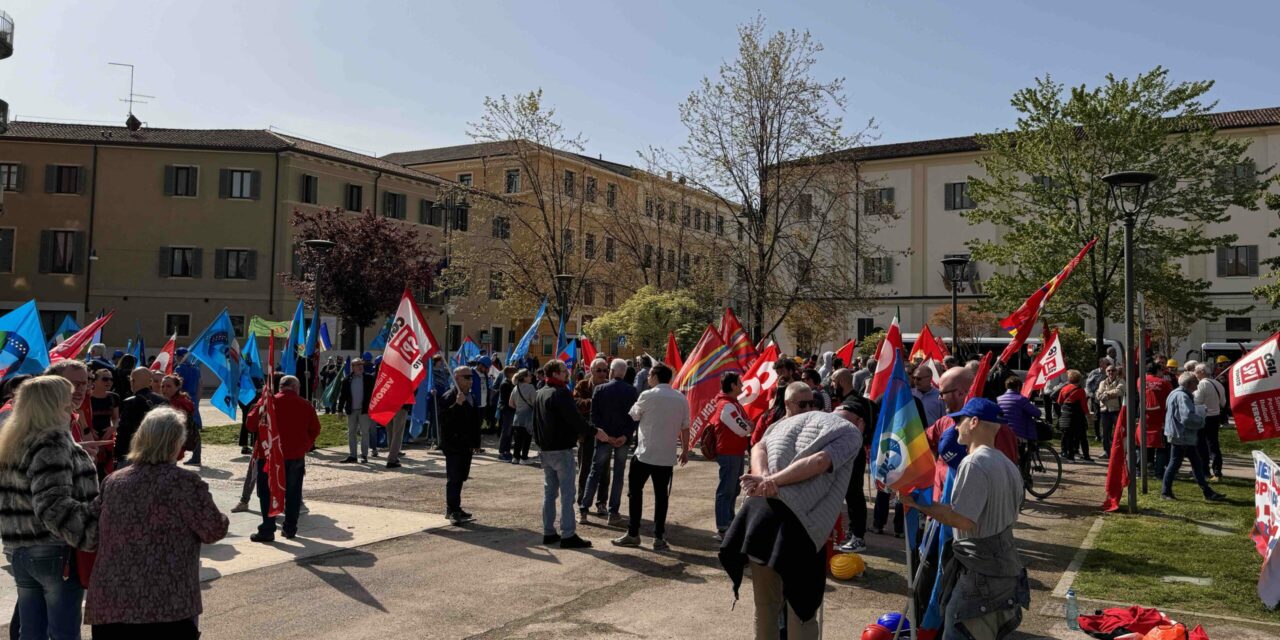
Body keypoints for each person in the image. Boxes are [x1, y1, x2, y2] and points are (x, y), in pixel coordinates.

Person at [719, 394, 862, 640]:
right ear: (861, 422)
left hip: (757, 518)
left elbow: (757, 447)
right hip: (797, 527)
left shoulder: (782, 423)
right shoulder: (850, 431)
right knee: (802, 611)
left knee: (765, 607)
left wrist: (764, 477)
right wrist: (769, 480)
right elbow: (819, 461)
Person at [84, 407, 228, 639]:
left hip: (110, 601)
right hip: (165, 604)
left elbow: (90, 523)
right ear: (176, 443)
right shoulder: (184, 482)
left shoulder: (114, 481)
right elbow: (213, 529)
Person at [900, 398, 1031, 640]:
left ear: (974, 422)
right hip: (1004, 566)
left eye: (959, 420)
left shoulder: (974, 462)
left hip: (980, 570)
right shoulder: (1008, 464)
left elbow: (962, 519)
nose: (955, 425)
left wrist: (915, 503)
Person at [0, 376, 100, 640]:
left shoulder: (14, 441)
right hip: (55, 551)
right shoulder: (51, 443)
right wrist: (91, 531)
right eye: (66, 400)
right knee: (63, 633)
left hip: (21, 548)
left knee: (31, 632)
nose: (73, 406)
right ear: (52, 404)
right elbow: (52, 504)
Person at [533, 359, 619, 549]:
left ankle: (549, 531)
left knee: (549, 493)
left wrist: (539, 443)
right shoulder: (561, 393)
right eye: (564, 370)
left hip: (546, 450)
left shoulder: (540, 392)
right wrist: (595, 431)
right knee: (567, 494)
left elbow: (535, 423)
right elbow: (575, 419)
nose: (567, 373)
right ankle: (568, 534)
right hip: (560, 449)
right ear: (555, 373)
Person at [611, 364, 690, 551]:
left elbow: (634, 415)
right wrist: (685, 450)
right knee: (661, 497)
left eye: (649, 375)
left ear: (655, 376)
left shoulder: (647, 395)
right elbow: (685, 427)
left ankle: (633, 533)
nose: (647, 378)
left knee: (635, 494)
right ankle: (658, 536)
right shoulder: (680, 398)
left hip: (645, 453)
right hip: (666, 455)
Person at [247, 376, 321, 543]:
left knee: (267, 493)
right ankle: (290, 528)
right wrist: (305, 445)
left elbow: (251, 425)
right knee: (293, 494)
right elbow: (315, 429)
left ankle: (268, 528)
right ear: (296, 387)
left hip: (269, 456)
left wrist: (261, 403)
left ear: (280, 387)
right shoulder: (305, 404)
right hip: (295, 456)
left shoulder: (267, 403)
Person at [584, 359, 638, 526]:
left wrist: (603, 434)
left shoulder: (600, 389)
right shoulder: (632, 391)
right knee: (619, 475)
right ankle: (613, 512)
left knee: (595, 472)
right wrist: (625, 435)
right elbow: (634, 417)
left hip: (603, 437)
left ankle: (583, 510)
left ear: (612, 371)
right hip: (622, 438)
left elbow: (594, 416)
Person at [1161, 373, 1226, 502]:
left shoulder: (1176, 393)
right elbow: (1187, 418)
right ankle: (1165, 492)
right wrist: (1201, 420)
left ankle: (1208, 492)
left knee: (1196, 463)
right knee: (1175, 464)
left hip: (1180, 434)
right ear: (1188, 384)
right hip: (1182, 435)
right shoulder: (1182, 396)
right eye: (1195, 382)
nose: (1197, 384)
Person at [708, 372, 752, 541]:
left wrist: (748, 426)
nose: (742, 385)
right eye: (739, 382)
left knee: (733, 490)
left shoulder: (732, 404)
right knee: (726, 491)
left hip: (735, 452)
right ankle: (723, 527)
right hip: (729, 453)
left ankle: (728, 522)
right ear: (733, 385)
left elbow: (745, 427)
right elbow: (744, 429)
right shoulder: (727, 405)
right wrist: (749, 427)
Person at [439, 367, 482, 525]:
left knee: (462, 476)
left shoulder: (471, 396)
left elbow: (475, 421)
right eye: (466, 377)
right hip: (453, 444)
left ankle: (456, 507)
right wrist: (456, 405)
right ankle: (451, 509)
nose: (470, 380)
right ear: (456, 378)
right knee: (454, 477)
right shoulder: (448, 396)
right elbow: (444, 421)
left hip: (466, 444)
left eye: (471, 377)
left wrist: (476, 442)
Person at [575, 359, 611, 518]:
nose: (603, 374)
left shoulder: (610, 386)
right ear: (592, 370)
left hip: (605, 436)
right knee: (585, 470)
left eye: (605, 370)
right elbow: (576, 403)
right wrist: (595, 401)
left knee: (604, 471)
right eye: (599, 370)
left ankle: (602, 503)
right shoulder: (582, 385)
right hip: (587, 435)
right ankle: (582, 502)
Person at [835, 396, 872, 553]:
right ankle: (853, 532)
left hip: (854, 453)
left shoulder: (857, 409)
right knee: (850, 495)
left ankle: (858, 537)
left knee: (855, 495)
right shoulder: (848, 406)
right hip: (845, 453)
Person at [116, 367, 167, 469]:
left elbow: (124, 432)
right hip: (159, 452)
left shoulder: (130, 402)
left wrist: (118, 454)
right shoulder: (163, 400)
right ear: (150, 381)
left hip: (135, 454)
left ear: (132, 381)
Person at [1193, 363, 1228, 481]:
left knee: (1201, 445)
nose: (1194, 374)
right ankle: (1217, 471)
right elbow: (1223, 403)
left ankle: (1204, 471)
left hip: (1204, 417)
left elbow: (1197, 401)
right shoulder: (1218, 384)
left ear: (1202, 372)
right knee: (1214, 444)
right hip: (1215, 416)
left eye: (1196, 371)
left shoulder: (1202, 384)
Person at [338, 359, 376, 463]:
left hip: (364, 410)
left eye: (362, 365)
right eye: (358, 365)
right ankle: (353, 456)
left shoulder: (369, 378)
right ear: (353, 367)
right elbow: (342, 396)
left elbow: (375, 394)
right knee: (351, 433)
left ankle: (364, 455)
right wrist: (340, 410)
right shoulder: (346, 380)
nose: (361, 367)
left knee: (365, 433)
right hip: (352, 411)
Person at [87, 368, 121, 478]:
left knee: (108, 470)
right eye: (105, 379)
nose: (109, 382)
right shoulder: (87, 397)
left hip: (107, 438)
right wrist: (89, 430)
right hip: (90, 437)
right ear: (94, 381)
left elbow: (116, 418)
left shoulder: (113, 397)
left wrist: (113, 427)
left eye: (111, 379)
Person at [160, 374, 199, 466]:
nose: (164, 389)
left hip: (172, 443)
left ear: (177, 387)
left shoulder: (178, 403)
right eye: (162, 386)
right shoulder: (174, 400)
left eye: (169, 386)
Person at [1144, 362, 1173, 477]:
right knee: (1161, 445)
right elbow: (1171, 397)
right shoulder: (1165, 383)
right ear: (1158, 371)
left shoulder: (1140, 380)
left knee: (1146, 443)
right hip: (1162, 417)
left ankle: (1147, 466)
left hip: (1146, 417)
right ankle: (1159, 471)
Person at [1056, 370, 1091, 462]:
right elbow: (1084, 406)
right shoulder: (1081, 391)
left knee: (1069, 437)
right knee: (1083, 437)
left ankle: (1070, 457)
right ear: (1079, 379)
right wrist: (1088, 416)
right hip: (1078, 417)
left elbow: (1059, 401)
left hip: (1066, 416)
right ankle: (1086, 456)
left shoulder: (1064, 389)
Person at [997, 376, 1041, 442]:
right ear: (1018, 387)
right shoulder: (1021, 399)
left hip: (1002, 432)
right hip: (1018, 433)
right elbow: (1037, 413)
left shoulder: (999, 399)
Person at [508, 369, 537, 464]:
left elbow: (511, 403)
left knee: (518, 439)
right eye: (529, 375)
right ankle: (524, 458)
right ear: (524, 377)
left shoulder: (515, 388)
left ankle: (515, 457)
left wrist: (519, 407)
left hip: (517, 416)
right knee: (527, 438)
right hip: (527, 417)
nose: (531, 376)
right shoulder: (530, 387)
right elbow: (535, 402)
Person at [1096, 365, 1125, 459]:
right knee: (1105, 433)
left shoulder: (1120, 381)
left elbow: (1119, 392)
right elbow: (1098, 394)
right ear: (1106, 372)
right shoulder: (1102, 382)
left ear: (1116, 372)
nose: (1111, 372)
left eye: (1113, 370)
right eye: (1108, 371)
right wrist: (1105, 395)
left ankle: (1120, 451)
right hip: (1105, 411)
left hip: (1116, 411)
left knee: (1119, 432)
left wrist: (1106, 394)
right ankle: (1106, 452)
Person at [1084, 357, 1110, 442]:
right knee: (1097, 416)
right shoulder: (1094, 372)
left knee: (1105, 416)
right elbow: (1088, 384)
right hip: (1095, 398)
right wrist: (1091, 394)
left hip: (1106, 398)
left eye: (1108, 364)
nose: (1108, 365)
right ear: (1101, 364)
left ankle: (1105, 435)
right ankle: (1097, 435)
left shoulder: (1109, 372)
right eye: (1106, 364)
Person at [497, 366, 518, 462]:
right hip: (507, 410)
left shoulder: (511, 383)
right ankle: (502, 452)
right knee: (506, 431)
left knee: (510, 432)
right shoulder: (505, 384)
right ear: (509, 373)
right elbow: (508, 399)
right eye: (515, 372)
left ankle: (507, 451)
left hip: (512, 409)